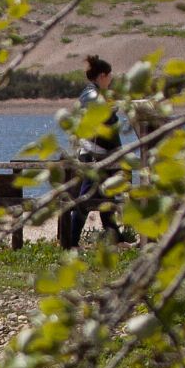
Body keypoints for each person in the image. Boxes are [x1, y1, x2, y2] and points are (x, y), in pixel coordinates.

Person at [60, 54, 128, 248]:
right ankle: (72, 243)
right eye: (109, 76)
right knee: (85, 200)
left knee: (106, 198)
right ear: (102, 76)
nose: (111, 80)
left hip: (99, 155)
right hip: (93, 156)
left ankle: (118, 241)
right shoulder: (90, 94)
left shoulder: (93, 94)